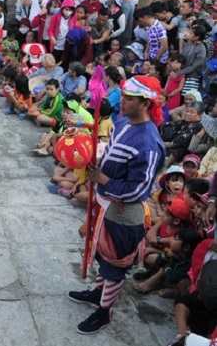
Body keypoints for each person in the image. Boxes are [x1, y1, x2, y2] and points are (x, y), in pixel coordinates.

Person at [68, 75, 165, 334]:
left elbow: (139, 189)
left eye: (129, 99)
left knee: (115, 264)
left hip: (124, 213)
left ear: (145, 104)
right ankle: (98, 293)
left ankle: (104, 312)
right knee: (101, 254)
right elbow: (108, 151)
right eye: (122, 96)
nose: (122, 102)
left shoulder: (148, 143)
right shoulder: (123, 123)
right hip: (105, 204)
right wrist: (91, 157)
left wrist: (101, 178)